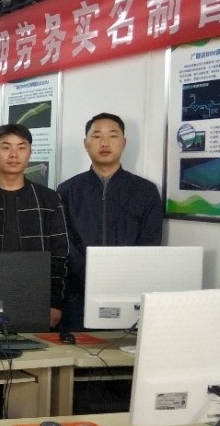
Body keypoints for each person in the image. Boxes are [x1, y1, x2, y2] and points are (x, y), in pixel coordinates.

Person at [57, 113, 163, 330]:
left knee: (124, 348)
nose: (104, 143)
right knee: (78, 349)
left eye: (112, 136)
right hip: (77, 294)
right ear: (85, 143)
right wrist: (92, 275)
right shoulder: (67, 190)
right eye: (96, 136)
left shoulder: (145, 191)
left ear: (124, 142)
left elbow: (150, 242)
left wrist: (120, 277)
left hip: (129, 292)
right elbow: (64, 241)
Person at [0, 124, 69, 328]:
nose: (14, 154)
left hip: (34, 295)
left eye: (21, 147)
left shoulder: (49, 200)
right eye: (6, 147)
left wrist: (55, 303)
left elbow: (60, 255)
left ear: (30, 153)